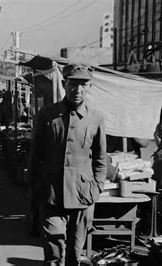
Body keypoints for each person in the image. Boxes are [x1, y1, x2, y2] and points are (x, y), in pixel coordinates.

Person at [26, 64, 107, 265]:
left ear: (89, 87)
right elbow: (35, 154)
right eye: (73, 84)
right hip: (51, 192)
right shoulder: (47, 115)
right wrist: (34, 186)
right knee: (54, 246)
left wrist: (97, 188)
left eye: (83, 85)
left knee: (74, 251)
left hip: (82, 194)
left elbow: (100, 158)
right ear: (64, 84)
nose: (77, 90)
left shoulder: (96, 118)